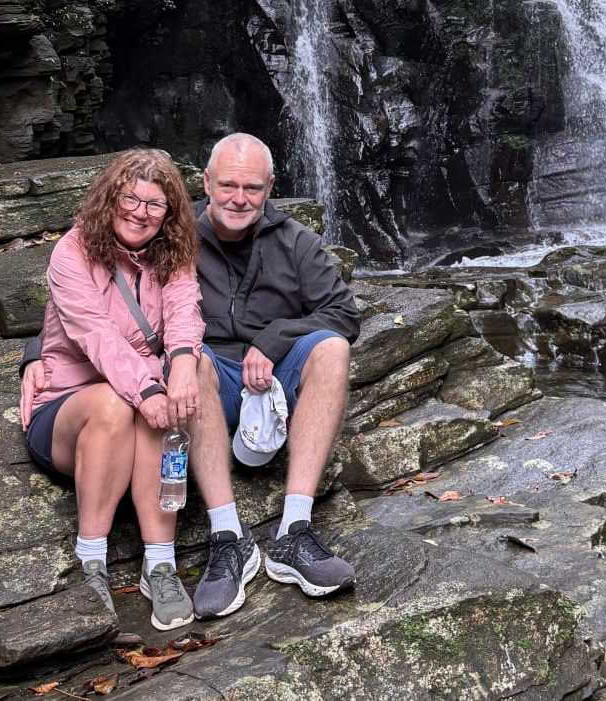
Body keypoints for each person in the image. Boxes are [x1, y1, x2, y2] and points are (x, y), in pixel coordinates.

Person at [23, 133, 361, 621]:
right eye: (227, 184)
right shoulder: (135, 244)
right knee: (164, 381)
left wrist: (265, 340)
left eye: (251, 187)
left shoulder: (269, 242)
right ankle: (217, 538)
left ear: (270, 188)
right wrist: (35, 356)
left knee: (325, 349)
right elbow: (91, 326)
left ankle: (287, 533)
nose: (238, 198)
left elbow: (186, 315)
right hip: (159, 385)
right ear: (206, 182)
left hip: (248, 376)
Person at [19, 148, 204, 631]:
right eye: (131, 198)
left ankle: (160, 564)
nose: (140, 213)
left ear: (169, 215)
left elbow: (184, 309)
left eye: (154, 205)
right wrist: (148, 389)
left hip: (144, 402)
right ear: (110, 197)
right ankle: (91, 562)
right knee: (119, 401)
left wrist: (183, 362)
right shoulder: (72, 252)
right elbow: (96, 336)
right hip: (69, 408)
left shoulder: (174, 254)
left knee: (162, 401)